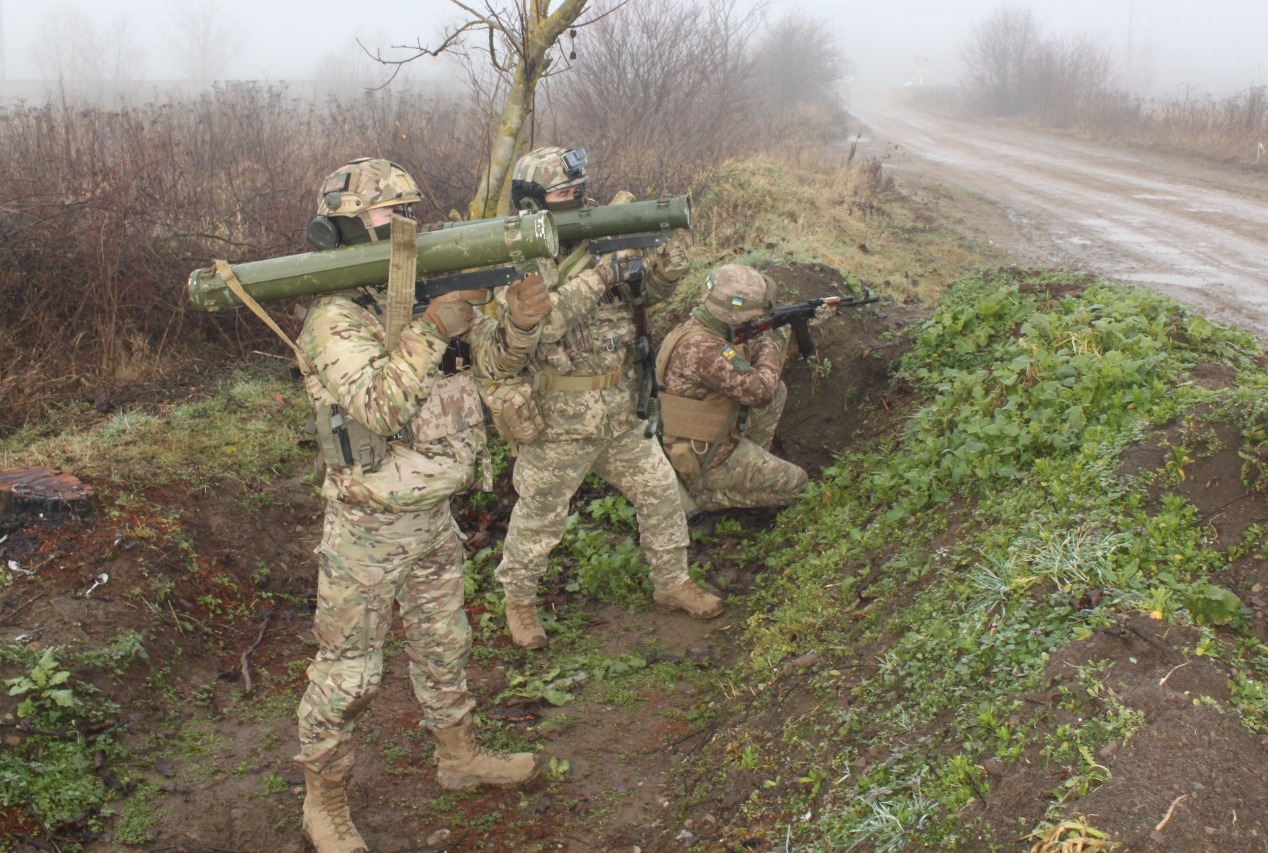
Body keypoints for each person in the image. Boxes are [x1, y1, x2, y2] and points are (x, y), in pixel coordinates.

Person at [292, 158, 552, 853]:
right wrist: (432, 326)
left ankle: (459, 757)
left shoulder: (413, 295)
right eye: (387, 216)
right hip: (368, 526)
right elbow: (379, 403)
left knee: (445, 645)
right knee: (349, 672)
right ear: (343, 228)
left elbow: (493, 369)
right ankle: (323, 801)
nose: (404, 227)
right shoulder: (335, 319)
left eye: (410, 211)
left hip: (432, 513)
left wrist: (521, 324)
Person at [491, 145, 723, 650]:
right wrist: (599, 274)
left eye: (578, 189)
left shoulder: (600, 233)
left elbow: (642, 297)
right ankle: (520, 602)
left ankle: (672, 581)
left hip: (619, 410)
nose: (575, 198)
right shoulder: (515, 254)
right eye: (562, 193)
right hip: (558, 420)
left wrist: (663, 271)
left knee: (660, 494)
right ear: (533, 201)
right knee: (539, 516)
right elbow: (542, 325)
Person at [655, 263, 808, 519]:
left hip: (700, 437)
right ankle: (707, 497)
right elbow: (761, 391)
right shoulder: (705, 349)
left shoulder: (699, 327)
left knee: (778, 391)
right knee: (798, 484)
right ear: (735, 312)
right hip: (705, 460)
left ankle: (749, 466)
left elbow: (754, 380)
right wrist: (772, 343)